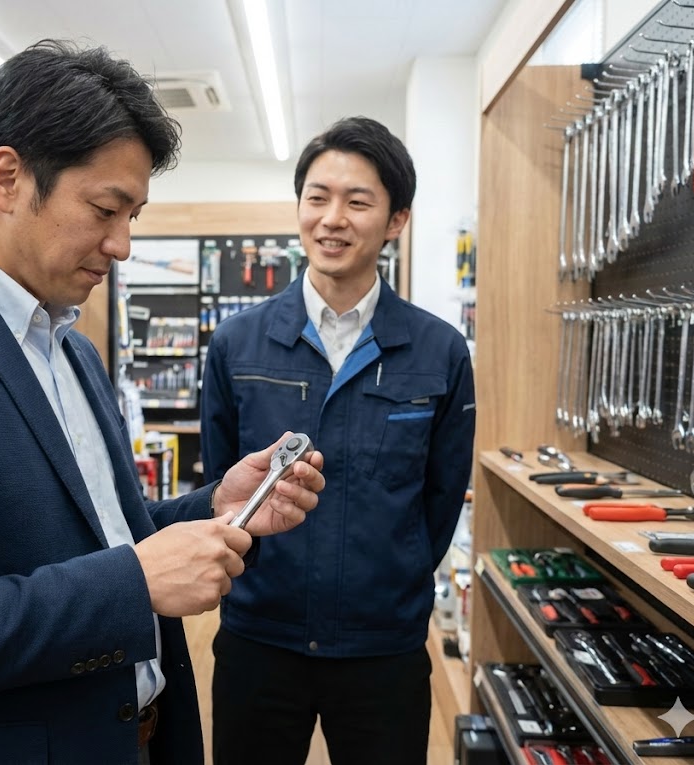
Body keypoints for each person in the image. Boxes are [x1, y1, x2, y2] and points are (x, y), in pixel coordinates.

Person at [0, 39, 324, 765]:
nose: (124, 244)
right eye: (107, 208)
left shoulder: (70, 346)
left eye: (133, 214)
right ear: (8, 177)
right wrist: (133, 584)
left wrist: (214, 508)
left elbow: (97, 532)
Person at [201, 116, 475, 765]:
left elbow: (440, 500)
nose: (332, 218)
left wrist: (392, 576)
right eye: (317, 197)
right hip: (259, 640)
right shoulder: (237, 345)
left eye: (358, 201)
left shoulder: (437, 350)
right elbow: (221, 489)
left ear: (396, 219)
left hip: (382, 649)